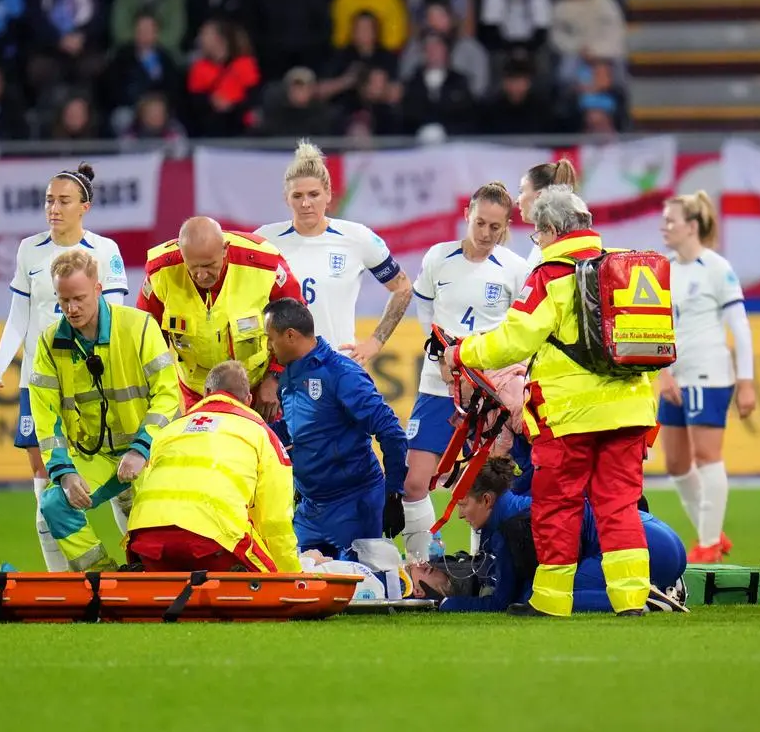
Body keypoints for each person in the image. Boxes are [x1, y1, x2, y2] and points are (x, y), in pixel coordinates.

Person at [443, 186, 656, 617]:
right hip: (631, 408)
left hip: (569, 415)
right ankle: (632, 600)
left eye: (536, 235)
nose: (535, 243)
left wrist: (463, 351)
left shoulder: (550, 275)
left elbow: (513, 340)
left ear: (554, 230)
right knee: (619, 505)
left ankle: (552, 602)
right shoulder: (627, 265)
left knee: (558, 505)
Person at [0, 163, 129, 572]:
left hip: (94, 383)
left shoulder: (105, 251)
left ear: (85, 206)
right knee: (46, 481)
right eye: (49, 200)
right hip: (41, 383)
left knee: (121, 476)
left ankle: (140, 564)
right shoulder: (29, 249)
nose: (54, 208)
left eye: (63, 201)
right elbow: (19, 315)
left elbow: (115, 315)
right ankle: (59, 579)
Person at [32, 249, 182, 572]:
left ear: (98, 289)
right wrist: (64, 472)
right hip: (97, 458)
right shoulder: (48, 344)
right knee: (54, 504)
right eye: (64, 299)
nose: (71, 309)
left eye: (80, 298)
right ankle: (103, 576)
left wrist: (142, 448)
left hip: (151, 454)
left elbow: (169, 396)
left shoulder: (138, 326)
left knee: (155, 544)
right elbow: (45, 417)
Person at [406, 182, 529, 560]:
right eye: (480, 223)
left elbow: (520, 330)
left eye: (496, 227)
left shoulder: (515, 268)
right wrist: (441, 356)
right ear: (467, 216)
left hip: (489, 393)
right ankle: (421, 567)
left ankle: (485, 567)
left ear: (506, 225)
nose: (487, 233)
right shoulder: (438, 258)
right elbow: (425, 310)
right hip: (438, 386)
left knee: (487, 487)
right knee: (414, 483)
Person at [413, 458, 686, 613]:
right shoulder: (517, 506)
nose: (460, 515)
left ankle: (647, 597)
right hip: (656, 536)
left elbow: (501, 601)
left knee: (543, 596)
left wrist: (447, 603)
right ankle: (657, 584)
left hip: (650, 547)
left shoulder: (511, 527)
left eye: (463, 505)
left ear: (486, 500)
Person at [264, 298, 408, 559]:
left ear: (290, 335)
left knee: (361, 594)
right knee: (300, 589)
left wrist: (394, 492)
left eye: (270, 338)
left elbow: (391, 431)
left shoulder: (342, 374)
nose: (268, 347)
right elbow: (294, 429)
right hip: (310, 509)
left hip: (354, 505)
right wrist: (252, 430)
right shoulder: (289, 376)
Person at [128, 361, 302, 573]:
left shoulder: (168, 432)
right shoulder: (261, 435)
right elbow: (275, 522)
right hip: (214, 545)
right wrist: (292, 574)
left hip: (146, 541)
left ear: (206, 392)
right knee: (267, 570)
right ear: (248, 400)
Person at [657, 191, 756, 563]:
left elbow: (740, 328)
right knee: (676, 464)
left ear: (692, 226)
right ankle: (710, 529)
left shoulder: (716, 268)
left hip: (709, 373)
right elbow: (654, 328)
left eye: (671, 220)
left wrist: (745, 382)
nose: (664, 227)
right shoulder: (661, 269)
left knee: (705, 455)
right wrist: (663, 372)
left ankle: (709, 542)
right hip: (674, 376)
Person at [255, 140, 413, 364]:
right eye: (297, 196)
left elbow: (403, 288)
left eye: (314, 194)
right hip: (282, 370)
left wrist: (375, 342)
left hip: (337, 367)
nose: (306, 203)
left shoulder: (357, 237)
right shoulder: (264, 240)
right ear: (286, 198)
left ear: (329, 195)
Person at [138, 216, 304, 415]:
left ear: (225, 249)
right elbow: (146, 337)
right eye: (192, 267)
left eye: (209, 265)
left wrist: (276, 377)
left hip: (259, 390)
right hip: (197, 394)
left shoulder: (263, 264)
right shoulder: (161, 271)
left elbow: (296, 324)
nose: (201, 275)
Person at [515, 159, 578, 268]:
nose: (517, 200)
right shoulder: (544, 242)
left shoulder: (559, 245)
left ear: (539, 196)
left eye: (522, 192)